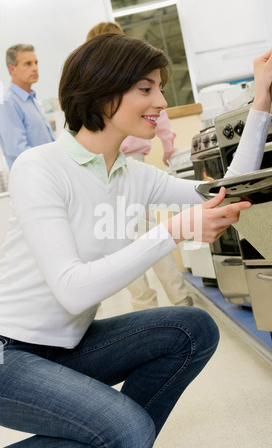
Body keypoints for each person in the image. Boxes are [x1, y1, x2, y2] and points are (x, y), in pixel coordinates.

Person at [0, 35, 272, 448]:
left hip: (68, 347)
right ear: (102, 92)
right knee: (125, 431)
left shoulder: (133, 175)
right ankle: (123, 440)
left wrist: (261, 97)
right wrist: (172, 230)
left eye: (160, 89)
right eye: (145, 89)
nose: (161, 103)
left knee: (192, 329)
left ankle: (121, 442)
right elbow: (71, 290)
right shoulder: (40, 167)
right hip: (7, 355)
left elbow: (226, 191)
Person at [87, 21, 193, 309]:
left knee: (121, 238)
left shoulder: (100, 83)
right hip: (119, 163)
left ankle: (147, 303)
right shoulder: (122, 78)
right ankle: (179, 298)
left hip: (111, 166)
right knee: (145, 236)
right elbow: (159, 112)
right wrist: (168, 145)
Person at [0, 44, 55, 169]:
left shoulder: (31, 100)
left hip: (47, 171)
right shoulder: (8, 103)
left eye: (36, 63)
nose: (35, 68)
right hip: (33, 174)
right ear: (12, 69)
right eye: (28, 64)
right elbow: (17, 150)